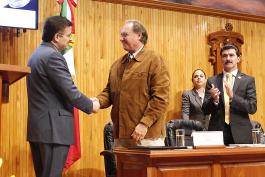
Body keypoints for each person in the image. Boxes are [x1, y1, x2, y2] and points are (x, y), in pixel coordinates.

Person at [26, 16, 100, 177]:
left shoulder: (36, 55)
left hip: (40, 129)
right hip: (53, 131)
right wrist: (91, 105)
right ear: (57, 37)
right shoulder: (53, 56)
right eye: (68, 35)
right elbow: (70, 91)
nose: (70, 40)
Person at [96, 20, 170, 147]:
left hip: (146, 137)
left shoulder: (154, 59)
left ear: (139, 35)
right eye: (121, 35)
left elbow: (161, 98)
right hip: (121, 138)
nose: (120, 38)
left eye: (125, 35)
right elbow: (109, 92)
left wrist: (144, 123)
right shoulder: (117, 64)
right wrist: (96, 102)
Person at [202, 44, 257, 145]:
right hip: (217, 132)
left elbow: (252, 107)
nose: (228, 58)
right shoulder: (212, 81)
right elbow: (205, 109)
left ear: (238, 59)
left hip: (241, 133)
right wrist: (214, 100)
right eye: (224, 55)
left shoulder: (248, 80)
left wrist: (233, 97)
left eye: (231, 55)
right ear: (221, 59)